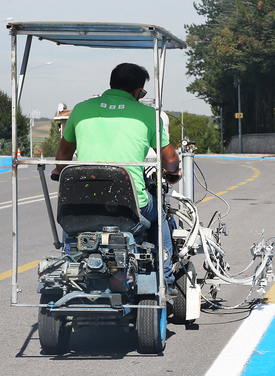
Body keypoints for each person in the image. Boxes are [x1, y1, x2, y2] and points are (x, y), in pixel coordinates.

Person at [51, 62, 181, 295]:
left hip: (86, 202)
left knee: (73, 215)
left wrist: (60, 170)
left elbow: (62, 157)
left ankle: (70, 264)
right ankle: (166, 278)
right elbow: (170, 161)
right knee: (159, 215)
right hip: (129, 208)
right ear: (137, 91)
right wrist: (173, 172)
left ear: (111, 84)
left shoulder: (80, 109)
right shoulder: (148, 115)